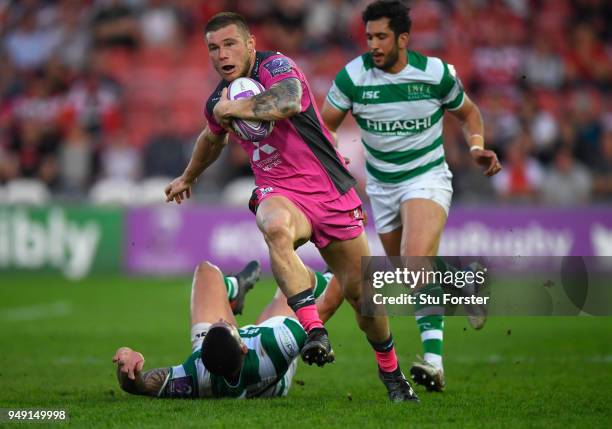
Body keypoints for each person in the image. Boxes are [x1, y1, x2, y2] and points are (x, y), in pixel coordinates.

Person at [164, 12, 417, 401]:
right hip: (279, 191)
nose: (221, 55)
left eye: (230, 44)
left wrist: (235, 111)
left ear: (249, 45)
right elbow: (211, 140)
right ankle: (315, 330)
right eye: (213, 48)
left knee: (364, 302)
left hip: (330, 192)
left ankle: (392, 374)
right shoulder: (218, 99)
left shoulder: (276, 66)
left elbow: (289, 100)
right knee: (274, 225)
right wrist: (188, 176)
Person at [321, 0, 501, 392]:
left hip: (427, 178)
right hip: (382, 188)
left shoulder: (434, 73)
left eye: (382, 36)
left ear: (403, 38)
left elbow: (470, 113)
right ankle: (465, 283)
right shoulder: (353, 78)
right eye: (369, 36)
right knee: (410, 273)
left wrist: (475, 147)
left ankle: (434, 363)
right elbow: (324, 128)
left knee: (416, 259)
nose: (373, 44)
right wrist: (333, 160)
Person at [112, 260, 343, 398]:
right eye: (226, 323)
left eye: (216, 325)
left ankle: (235, 288)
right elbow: (328, 304)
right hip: (274, 374)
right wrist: (350, 264)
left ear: (202, 354)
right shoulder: (277, 345)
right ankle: (332, 271)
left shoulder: (196, 375)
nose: (222, 318)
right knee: (298, 281)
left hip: (239, 368)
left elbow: (140, 386)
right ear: (243, 345)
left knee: (206, 272)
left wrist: (127, 368)